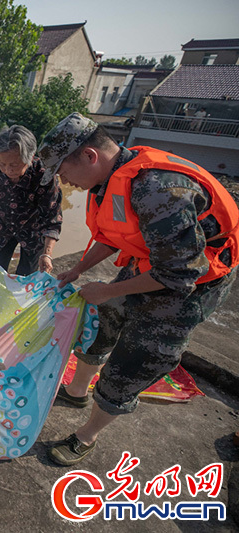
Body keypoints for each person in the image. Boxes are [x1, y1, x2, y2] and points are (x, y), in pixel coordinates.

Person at [37, 112, 238, 466]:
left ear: (88, 155)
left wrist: (108, 290)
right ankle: (76, 391)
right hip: (152, 262)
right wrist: (79, 270)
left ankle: (87, 436)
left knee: (135, 359)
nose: (64, 182)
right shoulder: (111, 179)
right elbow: (113, 235)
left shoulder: (157, 188)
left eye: (63, 171)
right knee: (102, 319)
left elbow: (179, 275)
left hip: (193, 282)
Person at [0, 125, 62, 275]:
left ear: (30, 158)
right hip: (3, 230)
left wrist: (47, 254)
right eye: (2, 164)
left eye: (14, 165)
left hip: (33, 233)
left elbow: (52, 218)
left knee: (26, 276)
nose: (8, 170)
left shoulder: (44, 175)